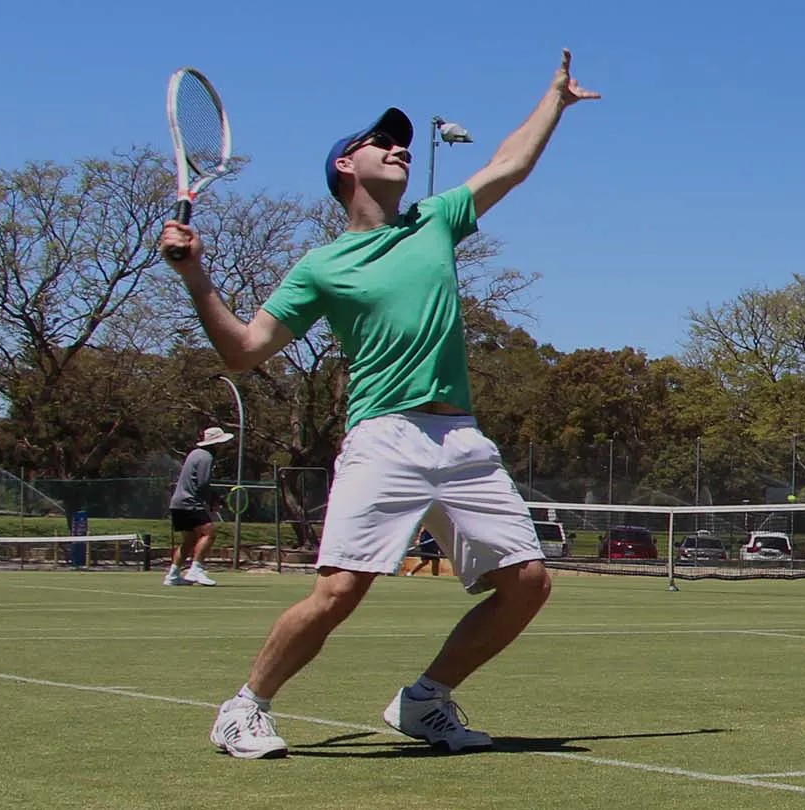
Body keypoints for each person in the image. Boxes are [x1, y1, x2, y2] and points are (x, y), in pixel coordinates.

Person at [161, 50, 600, 759]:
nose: (400, 148)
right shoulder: (320, 266)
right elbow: (243, 350)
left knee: (528, 582)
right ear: (345, 167)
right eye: (382, 142)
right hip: (384, 436)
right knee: (340, 592)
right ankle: (245, 708)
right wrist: (194, 274)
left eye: (404, 142)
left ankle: (425, 701)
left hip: (460, 438)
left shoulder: (435, 221)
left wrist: (554, 100)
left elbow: (508, 165)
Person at [163, 427, 232, 586]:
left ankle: (173, 575)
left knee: (190, 539)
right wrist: (213, 501)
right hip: (189, 502)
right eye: (222, 443)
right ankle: (196, 569)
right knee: (209, 533)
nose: (224, 445)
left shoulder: (194, 454)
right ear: (216, 443)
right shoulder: (206, 457)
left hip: (177, 503)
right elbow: (203, 483)